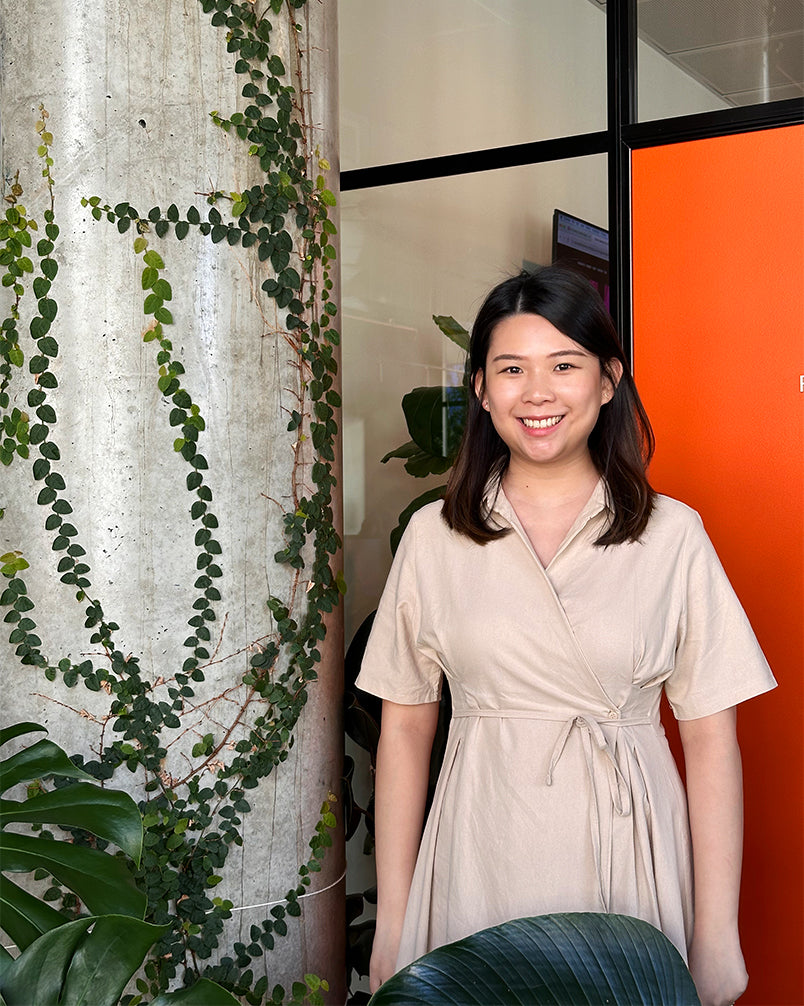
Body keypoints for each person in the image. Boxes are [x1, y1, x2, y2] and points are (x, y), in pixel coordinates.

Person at [356, 266, 776, 1006]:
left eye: (564, 366)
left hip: (627, 845)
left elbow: (712, 740)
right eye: (511, 369)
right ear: (482, 390)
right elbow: (406, 728)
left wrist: (717, 933)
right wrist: (394, 919)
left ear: (608, 381)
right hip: (479, 844)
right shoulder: (433, 535)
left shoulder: (673, 535)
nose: (537, 393)